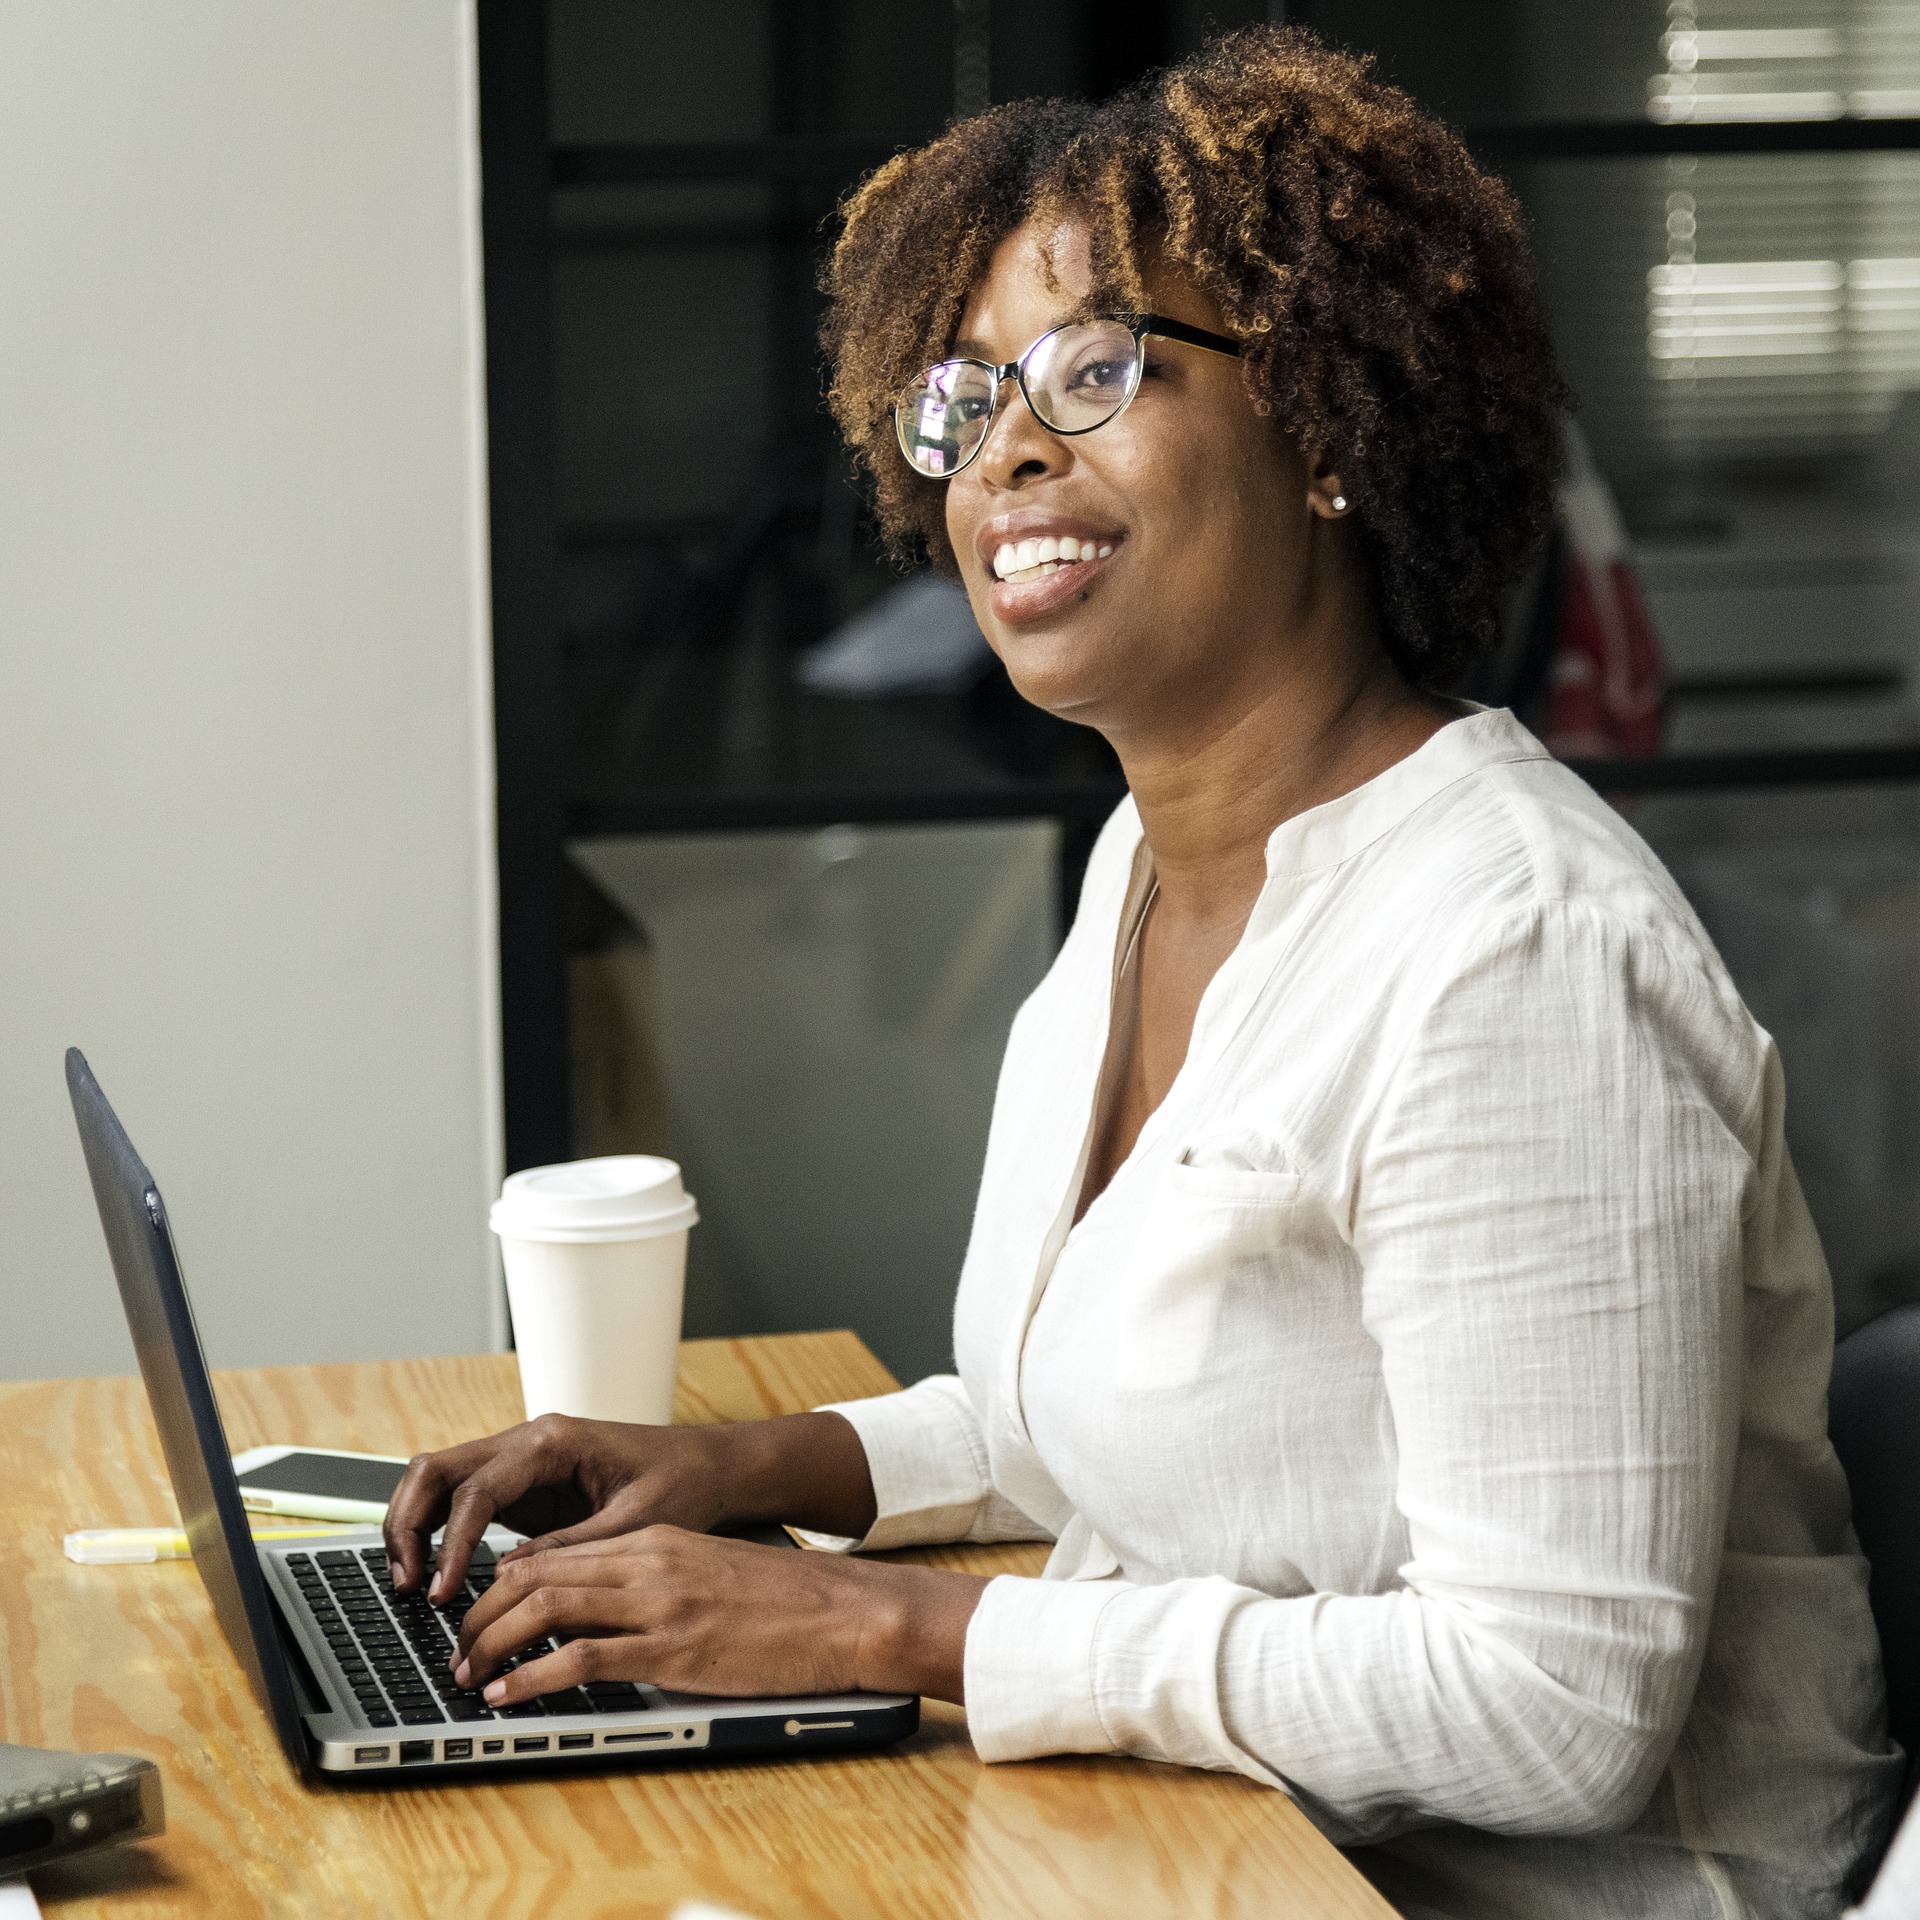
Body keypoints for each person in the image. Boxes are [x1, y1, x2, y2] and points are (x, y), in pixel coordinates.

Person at [386, 28, 1899, 1916]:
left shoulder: (1517, 957)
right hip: (1230, 1853)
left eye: (1098, 371)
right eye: (967, 401)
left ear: (1332, 427)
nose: (1008, 450)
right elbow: (1104, 1423)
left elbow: (1555, 1706)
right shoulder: (1148, 868)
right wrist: (730, 1468)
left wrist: (888, 1633)